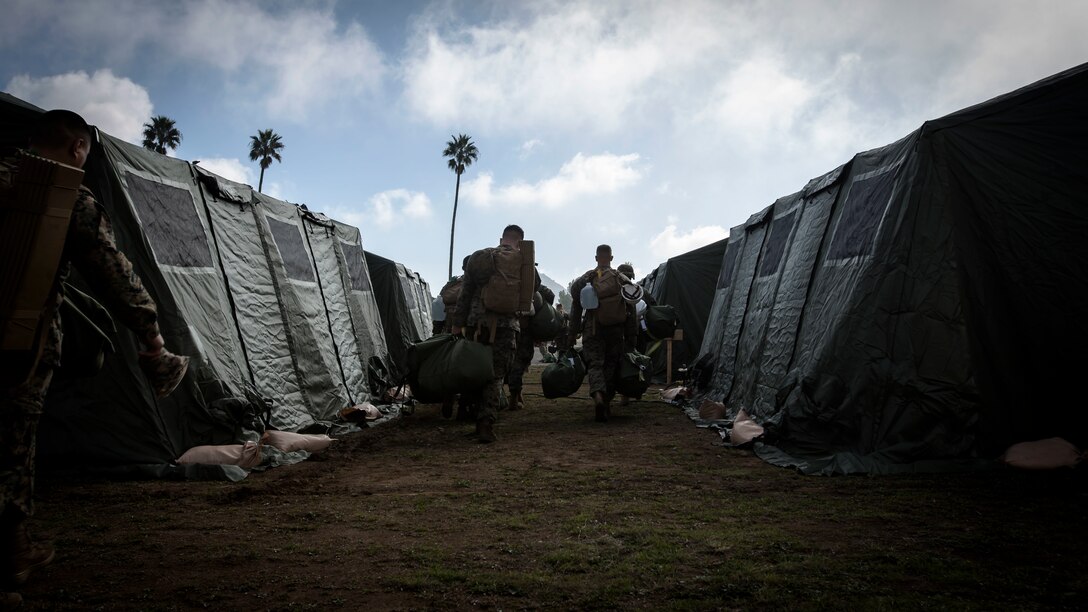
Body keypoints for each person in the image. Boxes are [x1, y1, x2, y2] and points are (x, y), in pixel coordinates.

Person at [0, 110, 183, 599]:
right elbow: (114, 276)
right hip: (20, 343)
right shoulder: (63, 198)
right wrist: (153, 337)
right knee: (11, 442)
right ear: (78, 148)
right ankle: (11, 552)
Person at [450, 224, 528, 443]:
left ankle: (467, 413)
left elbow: (464, 293)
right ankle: (486, 423)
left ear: (501, 239)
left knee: (474, 371)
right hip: (506, 326)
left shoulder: (481, 257)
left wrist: (458, 324)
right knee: (495, 376)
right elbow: (531, 294)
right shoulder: (524, 263)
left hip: (478, 324)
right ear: (520, 241)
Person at [568, 245, 637, 422]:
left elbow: (576, 305)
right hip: (616, 330)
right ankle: (606, 403)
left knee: (594, 364)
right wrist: (631, 337)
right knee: (611, 365)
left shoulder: (587, 278)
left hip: (593, 329)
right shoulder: (620, 278)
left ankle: (598, 395)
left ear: (596, 258)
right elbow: (631, 308)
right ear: (611, 258)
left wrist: (573, 332)